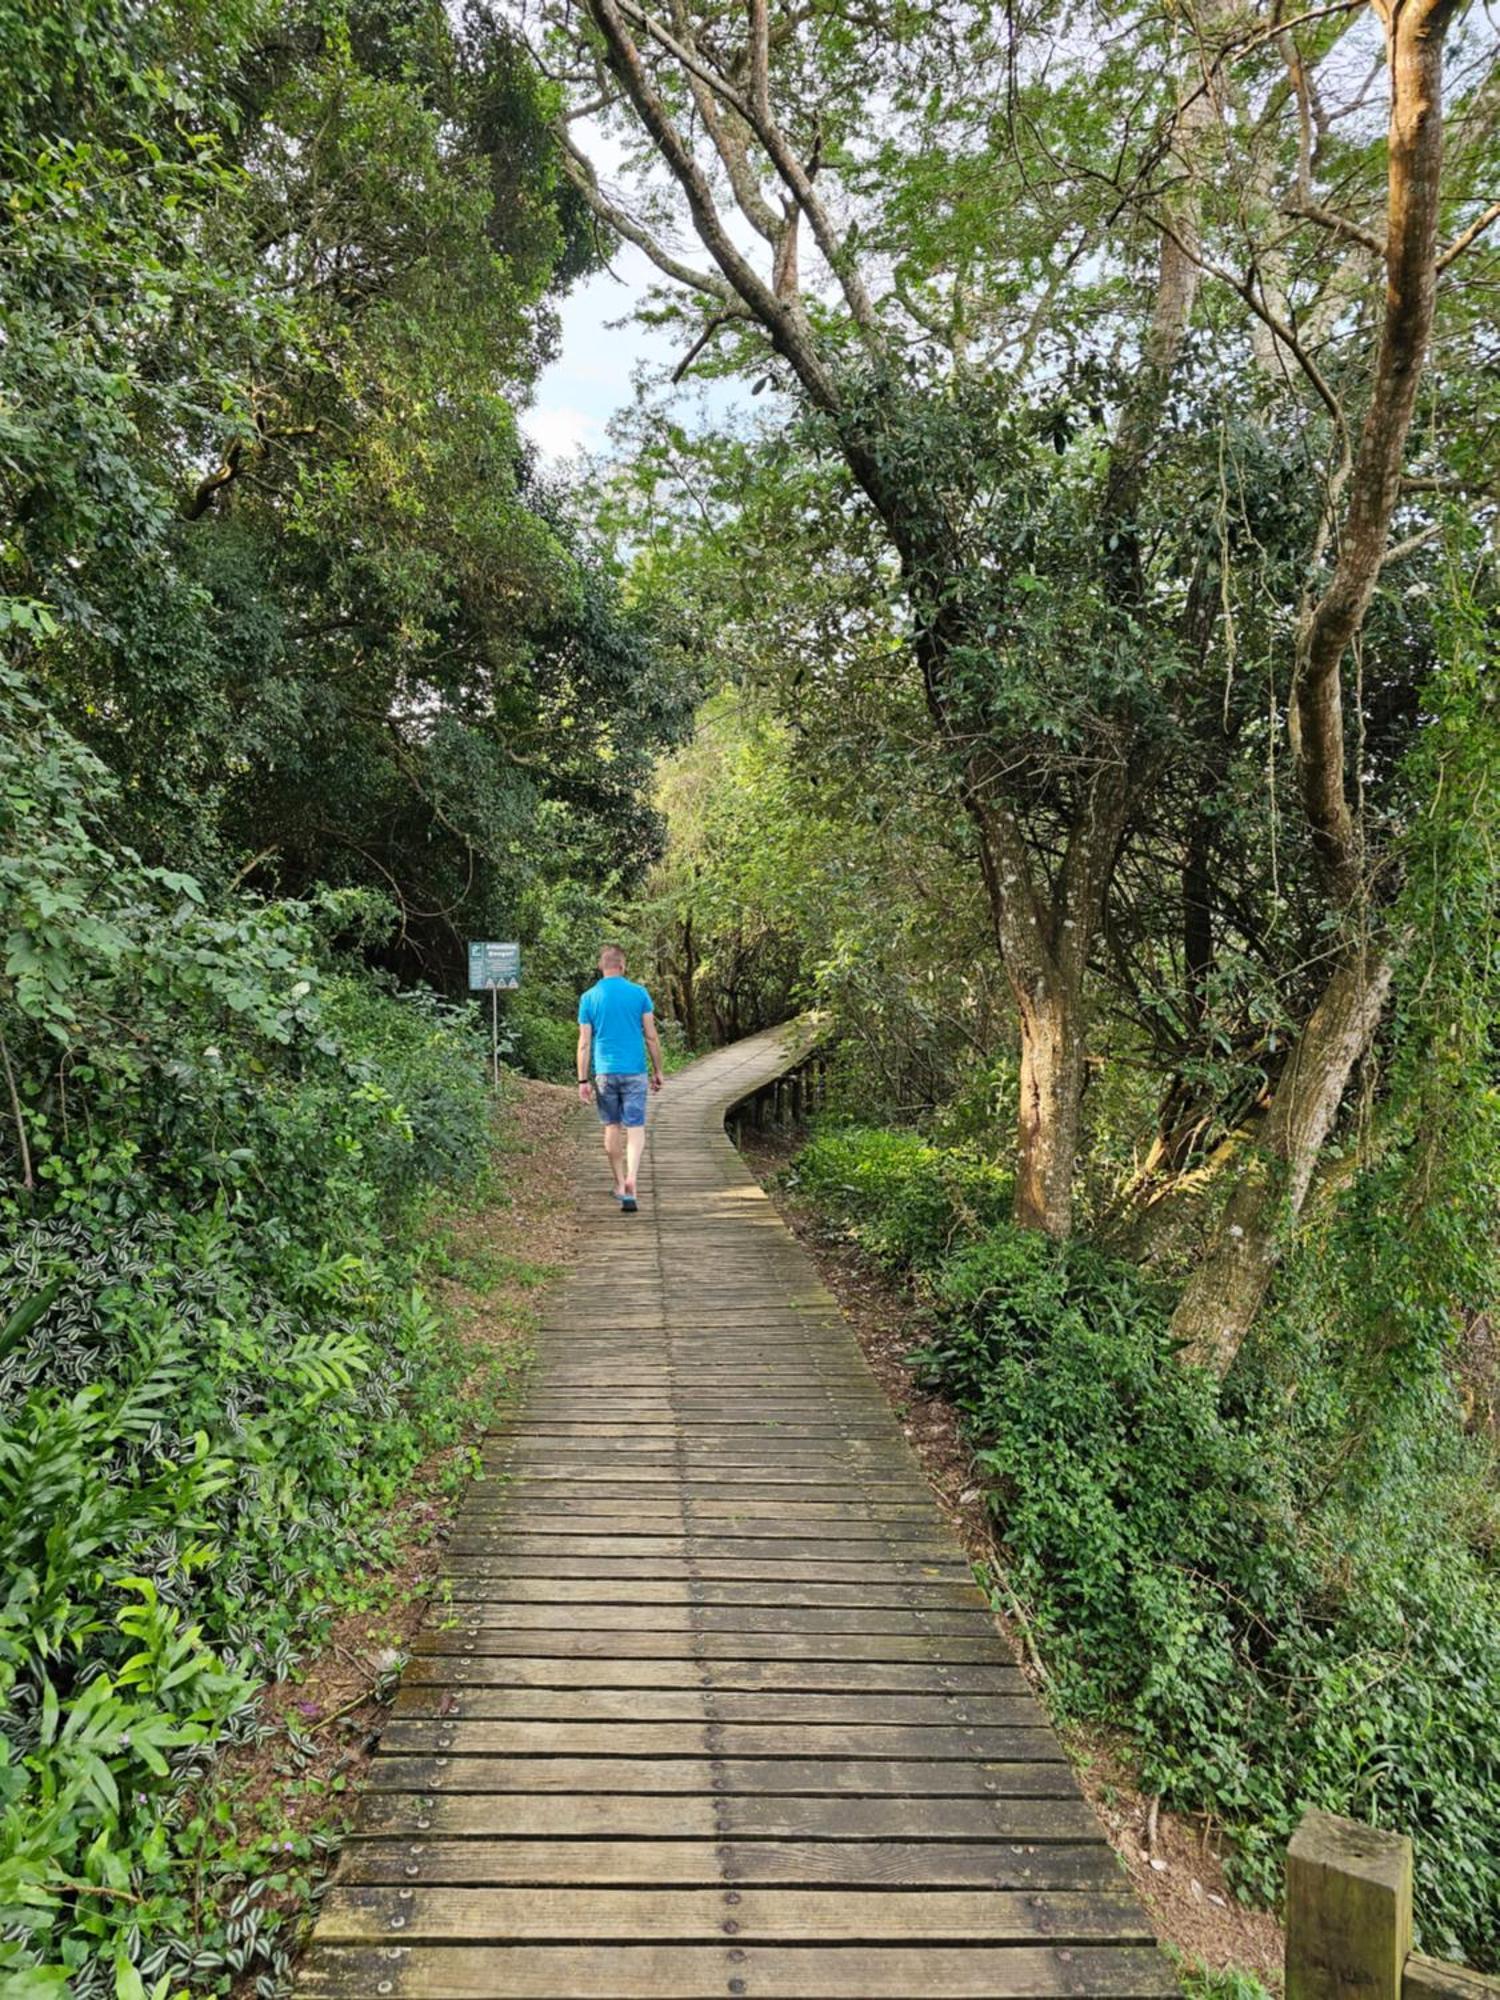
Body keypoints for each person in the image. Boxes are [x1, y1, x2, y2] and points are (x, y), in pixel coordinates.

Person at [576, 945, 663, 1212]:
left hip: (605, 1072)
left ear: (601, 967)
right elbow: (650, 1035)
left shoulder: (589, 997)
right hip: (635, 1071)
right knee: (635, 1127)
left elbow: (584, 1043)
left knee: (612, 1126)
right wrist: (658, 1070)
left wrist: (582, 1080)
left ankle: (619, 1182)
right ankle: (633, 1178)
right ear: (623, 966)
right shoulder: (639, 994)